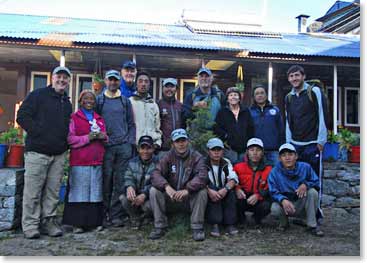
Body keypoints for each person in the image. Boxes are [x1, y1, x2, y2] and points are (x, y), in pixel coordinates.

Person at [16, 66, 73, 239]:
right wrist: (38, 132)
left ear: (69, 81)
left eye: (65, 78)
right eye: (59, 77)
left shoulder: (67, 103)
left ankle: (48, 222)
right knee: (33, 191)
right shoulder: (37, 95)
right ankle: (30, 225)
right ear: (52, 78)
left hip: (58, 153)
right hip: (37, 152)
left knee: (52, 192)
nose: (62, 80)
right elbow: (22, 116)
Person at [285, 65, 327, 220]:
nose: (294, 79)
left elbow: (323, 115)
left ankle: (316, 213)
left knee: (314, 179)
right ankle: (301, 214)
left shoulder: (314, 92)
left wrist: (321, 140)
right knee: (297, 179)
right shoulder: (288, 97)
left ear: (303, 76)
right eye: (291, 76)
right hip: (296, 144)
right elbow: (288, 121)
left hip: (312, 143)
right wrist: (288, 144)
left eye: (297, 75)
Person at [149, 129, 207, 241]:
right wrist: (166, 186)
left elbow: (202, 176)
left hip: (188, 199)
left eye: (183, 140)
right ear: (173, 143)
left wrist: (188, 190)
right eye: (177, 141)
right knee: (153, 190)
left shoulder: (197, 157)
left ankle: (197, 227)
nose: (181, 144)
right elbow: (155, 173)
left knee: (202, 191)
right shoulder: (167, 156)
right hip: (171, 197)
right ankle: (160, 226)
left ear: (188, 141)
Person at [62, 90, 107, 233]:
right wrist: (88, 138)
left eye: (92, 99)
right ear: (80, 101)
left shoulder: (99, 118)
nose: (89, 101)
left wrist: (102, 136)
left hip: (97, 161)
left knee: (95, 193)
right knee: (79, 192)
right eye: (86, 99)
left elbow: (106, 138)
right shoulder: (74, 118)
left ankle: (94, 223)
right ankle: (78, 224)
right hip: (80, 161)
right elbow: (70, 139)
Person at [95, 69, 136, 227]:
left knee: (120, 182)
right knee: (105, 181)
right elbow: (95, 122)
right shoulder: (100, 100)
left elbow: (131, 123)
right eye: (110, 80)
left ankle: (116, 215)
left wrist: (129, 141)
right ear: (105, 81)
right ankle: (103, 214)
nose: (112, 83)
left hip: (123, 147)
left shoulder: (125, 101)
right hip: (105, 147)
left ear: (120, 82)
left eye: (115, 80)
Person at [268, 143, 324, 236]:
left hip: (301, 202)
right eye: (284, 155)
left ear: (296, 156)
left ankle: (312, 225)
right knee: (274, 208)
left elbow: (316, 181)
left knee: (312, 192)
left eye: (290, 154)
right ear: (279, 158)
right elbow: (272, 191)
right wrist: (283, 200)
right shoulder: (274, 172)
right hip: (286, 204)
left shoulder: (306, 167)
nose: (287, 158)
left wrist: (306, 184)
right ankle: (284, 223)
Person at [119, 135, 157, 229]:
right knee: (123, 198)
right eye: (142, 148)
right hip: (136, 195)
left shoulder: (159, 163)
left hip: (148, 197)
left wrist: (144, 194)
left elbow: (157, 182)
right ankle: (135, 218)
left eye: (148, 148)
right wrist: (129, 186)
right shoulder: (132, 162)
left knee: (148, 206)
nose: (145, 151)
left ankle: (148, 218)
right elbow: (128, 177)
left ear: (153, 149)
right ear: (138, 149)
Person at [233, 138, 272, 226]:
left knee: (267, 204)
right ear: (247, 152)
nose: (255, 153)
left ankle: (257, 218)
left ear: (262, 152)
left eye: (258, 150)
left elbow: (271, 186)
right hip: (243, 196)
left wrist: (259, 195)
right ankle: (241, 219)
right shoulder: (237, 165)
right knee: (233, 199)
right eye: (252, 150)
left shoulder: (269, 167)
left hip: (258, 198)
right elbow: (231, 180)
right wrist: (237, 189)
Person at [205, 138, 238, 237]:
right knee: (212, 192)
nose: (216, 153)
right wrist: (209, 190)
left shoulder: (226, 162)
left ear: (222, 151)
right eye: (213, 150)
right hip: (209, 191)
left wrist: (226, 189)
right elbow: (199, 179)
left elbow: (233, 178)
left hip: (223, 190)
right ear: (208, 151)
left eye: (219, 150)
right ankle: (215, 224)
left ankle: (230, 224)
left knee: (231, 192)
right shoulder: (203, 163)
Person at [214, 87, 254, 164]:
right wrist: (225, 136)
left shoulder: (246, 111)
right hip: (229, 149)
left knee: (243, 169)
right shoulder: (222, 112)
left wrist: (249, 144)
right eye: (231, 95)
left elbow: (251, 128)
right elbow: (216, 128)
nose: (233, 97)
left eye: (235, 95)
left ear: (239, 98)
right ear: (227, 99)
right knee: (231, 171)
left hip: (244, 148)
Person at [249, 85, 285, 166]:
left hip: (274, 150)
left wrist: (281, 147)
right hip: (256, 151)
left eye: (262, 93)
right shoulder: (249, 112)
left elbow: (281, 130)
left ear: (266, 95)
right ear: (254, 97)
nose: (260, 95)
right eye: (257, 94)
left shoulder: (275, 110)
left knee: (276, 174)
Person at [130, 71, 162, 150]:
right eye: (140, 81)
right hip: (134, 147)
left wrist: (157, 143)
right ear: (136, 84)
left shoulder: (153, 105)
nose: (143, 84)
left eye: (146, 82)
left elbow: (157, 127)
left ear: (149, 85)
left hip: (151, 148)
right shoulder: (130, 102)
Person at [157, 78, 184, 153]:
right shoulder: (158, 104)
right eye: (166, 86)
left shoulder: (180, 106)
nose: (169, 89)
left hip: (178, 146)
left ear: (176, 89)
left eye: (172, 86)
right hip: (163, 148)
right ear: (163, 88)